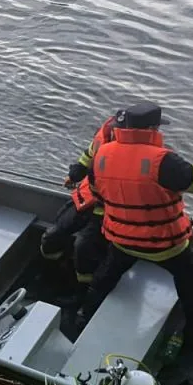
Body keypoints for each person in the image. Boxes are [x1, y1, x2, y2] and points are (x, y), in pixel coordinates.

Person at [60, 101, 193, 344]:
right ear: (153, 128)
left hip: (121, 240)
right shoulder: (164, 161)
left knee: (104, 278)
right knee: (190, 282)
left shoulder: (102, 154)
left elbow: (97, 190)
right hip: (165, 245)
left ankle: (83, 316)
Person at [40, 112, 119, 287]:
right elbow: (87, 156)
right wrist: (74, 174)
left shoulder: (133, 157)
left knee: (84, 248)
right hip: (86, 200)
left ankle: (82, 289)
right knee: (53, 235)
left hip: (108, 212)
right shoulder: (105, 136)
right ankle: (53, 273)